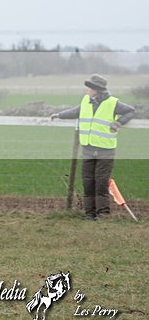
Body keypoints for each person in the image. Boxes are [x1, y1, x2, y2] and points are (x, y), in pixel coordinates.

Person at [50, 74, 135, 220]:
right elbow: (75, 112)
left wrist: (118, 123)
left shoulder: (113, 103)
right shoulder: (86, 101)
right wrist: (58, 115)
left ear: (97, 89)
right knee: (88, 182)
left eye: (90, 87)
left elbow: (130, 111)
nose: (87, 90)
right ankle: (89, 214)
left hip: (105, 150)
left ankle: (103, 214)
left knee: (101, 183)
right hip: (88, 149)